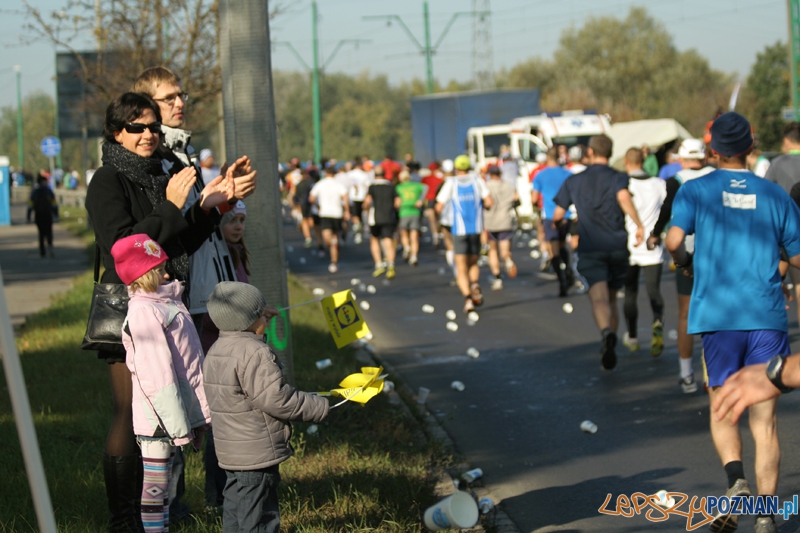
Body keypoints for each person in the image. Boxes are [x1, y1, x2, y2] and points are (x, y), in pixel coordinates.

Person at [85, 92, 235, 532]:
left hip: (167, 304)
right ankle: (124, 518)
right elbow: (126, 252)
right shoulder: (108, 180)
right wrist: (170, 205)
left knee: (161, 413)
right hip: (130, 315)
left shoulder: (155, 175)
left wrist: (212, 206)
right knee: (131, 412)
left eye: (153, 126)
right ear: (117, 133)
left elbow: (174, 244)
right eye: (137, 127)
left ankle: (158, 509)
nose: (148, 134)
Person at [133, 65, 257, 523]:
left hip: (207, 295)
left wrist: (225, 196)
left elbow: (199, 223)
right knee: (178, 406)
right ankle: (172, 502)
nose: (180, 103)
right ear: (146, 109)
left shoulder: (182, 155)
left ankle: (215, 494)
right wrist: (209, 202)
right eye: (168, 99)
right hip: (177, 298)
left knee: (214, 400)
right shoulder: (155, 158)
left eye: (180, 95)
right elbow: (159, 235)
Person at [666, 112, 800, 533]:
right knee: (766, 421)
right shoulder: (776, 195)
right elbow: (797, 258)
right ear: (751, 147)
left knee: (724, 406)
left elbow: (673, 241)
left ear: (711, 150)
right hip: (766, 315)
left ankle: (735, 479)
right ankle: (765, 516)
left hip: (719, 316)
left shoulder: (695, 190)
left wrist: (684, 261)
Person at [204, 282, 330, 533]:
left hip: (230, 452)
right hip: (256, 453)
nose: (267, 318)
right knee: (260, 515)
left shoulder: (217, 350)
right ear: (250, 321)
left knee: (236, 509)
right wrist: (319, 406)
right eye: (262, 314)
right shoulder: (255, 352)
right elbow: (276, 399)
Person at [111, 233, 211, 533]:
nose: (167, 273)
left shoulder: (166, 302)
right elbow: (157, 375)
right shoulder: (144, 312)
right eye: (158, 269)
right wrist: (177, 424)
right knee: (155, 491)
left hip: (172, 413)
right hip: (159, 418)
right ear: (140, 276)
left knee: (163, 489)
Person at [553, 135, 645, 370]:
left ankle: (605, 332)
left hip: (591, 247)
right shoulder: (618, 177)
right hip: (616, 245)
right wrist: (639, 224)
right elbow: (623, 198)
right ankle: (611, 338)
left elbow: (557, 214)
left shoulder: (574, 181)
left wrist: (560, 226)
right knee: (612, 299)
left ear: (590, 152)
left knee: (599, 297)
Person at [651, 138, 715, 393]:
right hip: (717, 252)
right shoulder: (717, 175)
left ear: (681, 158)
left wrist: (655, 234)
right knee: (717, 311)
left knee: (686, 314)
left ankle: (686, 374)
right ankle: (714, 371)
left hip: (687, 251)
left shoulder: (677, 180)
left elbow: (666, 211)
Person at [199, 200, 249, 512]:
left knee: (233, 427)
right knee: (220, 428)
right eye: (231, 220)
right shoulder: (213, 258)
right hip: (216, 351)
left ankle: (231, 492)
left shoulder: (239, 254)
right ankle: (216, 497)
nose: (238, 226)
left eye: (242, 220)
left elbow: (243, 298)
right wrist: (246, 316)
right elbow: (210, 312)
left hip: (238, 350)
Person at [620, 147, 666, 356]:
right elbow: (667, 208)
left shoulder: (624, 185)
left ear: (626, 163)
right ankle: (657, 325)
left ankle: (632, 336)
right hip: (652, 244)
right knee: (653, 291)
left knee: (630, 293)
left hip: (630, 244)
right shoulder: (658, 184)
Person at [435, 155, 494, 313]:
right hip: (476, 229)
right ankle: (475, 283)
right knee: (473, 262)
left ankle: (468, 299)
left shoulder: (451, 183)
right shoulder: (477, 181)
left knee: (461, 268)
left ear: (456, 168)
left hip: (459, 230)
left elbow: (439, 206)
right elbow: (489, 202)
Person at [532, 147, 573, 296]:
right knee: (562, 245)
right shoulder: (568, 173)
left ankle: (562, 279)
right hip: (567, 215)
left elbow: (534, 198)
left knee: (553, 250)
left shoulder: (540, 175)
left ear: (547, 158)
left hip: (550, 215)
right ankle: (568, 268)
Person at [309, 166, 350, 273]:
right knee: (333, 237)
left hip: (325, 213)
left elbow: (311, 198)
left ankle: (333, 260)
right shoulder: (339, 185)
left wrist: (318, 206)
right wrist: (347, 211)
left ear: (325, 173)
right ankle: (334, 256)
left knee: (327, 236)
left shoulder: (320, 184)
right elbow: (345, 198)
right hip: (337, 213)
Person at [484, 165, 518, 290]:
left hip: (491, 222)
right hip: (506, 220)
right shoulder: (509, 185)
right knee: (504, 251)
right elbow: (517, 199)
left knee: (492, 250)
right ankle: (508, 261)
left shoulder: (486, 186)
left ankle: (497, 277)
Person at [363, 165, 400, 279]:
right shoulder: (390, 186)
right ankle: (391, 264)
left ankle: (378, 264)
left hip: (375, 218)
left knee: (374, 239)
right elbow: (398, 201)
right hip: (388, 217)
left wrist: (365, 209)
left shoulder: (372, 186)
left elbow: (367, 201)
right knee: (388, 240)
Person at [395, 170, 426, 266]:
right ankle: (414, 256)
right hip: (415, 212)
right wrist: (421, 200)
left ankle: (407, 247)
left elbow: (397, 202)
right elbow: (426, 188)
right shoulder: (416, 185)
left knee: (404, 234)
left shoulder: (398, 188)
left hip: (404, 212)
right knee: (414, 236)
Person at [28, 175, 57, 258]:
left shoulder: (35, 192)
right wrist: (56, 215)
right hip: (48, 214)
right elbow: (54, 204)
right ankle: (50, 245)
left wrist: (28, 217)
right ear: (43, 182)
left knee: (41, 233)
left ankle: (42, 250)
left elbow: (30, 206)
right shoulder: (48, 191)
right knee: (49, 231)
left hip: (38, 215)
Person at [348, 157, 371, 245]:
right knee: (360, 215)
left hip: (352, 197)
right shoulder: (364, 174)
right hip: (361, 197)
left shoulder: (350, 174)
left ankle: (357, 229)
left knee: (355, 214)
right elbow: (367, 186)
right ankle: (359, 231)